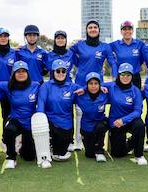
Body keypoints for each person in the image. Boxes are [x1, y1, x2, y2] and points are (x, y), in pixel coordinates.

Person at [70, 19, 117, 151]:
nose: (92, 29)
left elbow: (112, 62)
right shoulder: (79, 45)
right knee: (80, 112)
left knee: (97, 112)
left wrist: (115, 79)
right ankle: (78, 142)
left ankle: (97, 140)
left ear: (99, 30)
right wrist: (76, 64)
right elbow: (69, 55)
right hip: (80, 83)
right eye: (90, 27)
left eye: (95, 27)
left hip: (97, 85)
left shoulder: (104, 47)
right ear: (87, 30)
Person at [36, 59, 82, 161]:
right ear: (53, 72)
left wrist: (100, 88)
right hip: (50, 123)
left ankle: (55, 149)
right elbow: (41, 105)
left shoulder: (72, 86)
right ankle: (46, 145)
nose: (61, 73)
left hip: (66, 125)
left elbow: (89, 88)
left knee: (60, 154)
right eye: (58, 71)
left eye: (63, 71)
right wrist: (40, 121)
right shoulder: (46, 86)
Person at [0, 61, 41, 169]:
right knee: (9, 129)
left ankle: (21, 146)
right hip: (15, 119)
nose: (21, 74)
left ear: (27, 73)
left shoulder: (35, 85)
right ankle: (11, 158)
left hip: (30, 122)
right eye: (18, 72)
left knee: (29, 157)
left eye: (23, 71)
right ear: (13, 74)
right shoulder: (8, 86)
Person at [105, 63, 147, 165]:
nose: (125, 77)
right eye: (123, 74)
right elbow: (93, 84)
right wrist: (84, 89)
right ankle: (129, 143)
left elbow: (138, 111)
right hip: (115, 122)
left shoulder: (135, 91)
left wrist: (123, 120)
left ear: (132, 76)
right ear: (118, 75)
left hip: (129, 121)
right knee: (118, 153)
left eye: (128, 75)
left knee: (140, 125)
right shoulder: (111, 86)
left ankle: (139, 155)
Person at [75, 72, 109, 162]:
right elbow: (67, 90)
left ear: (99, 84)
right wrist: (84, 89)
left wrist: (102, 87)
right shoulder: (80, 96)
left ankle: (100, 152)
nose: (93, 86)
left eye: (96, 83)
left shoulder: (105, 94)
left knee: (100, 127)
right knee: (89, 154)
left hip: (100, 123)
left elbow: (114, 85)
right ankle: (94, 147)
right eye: (90, 84)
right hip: (87, 126)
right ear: (87, 84)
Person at [110, 20, 145, 89]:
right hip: (121, 77)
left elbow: (144, 57)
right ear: (121, 32)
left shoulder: (140, 44)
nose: (127, 31)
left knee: (136, 98)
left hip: (135, 77)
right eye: (124, 29)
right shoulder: (115, 44)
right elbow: (102, 48)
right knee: (121, 98)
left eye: (129, 29)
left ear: (132, 31)